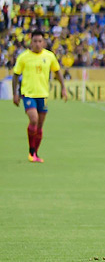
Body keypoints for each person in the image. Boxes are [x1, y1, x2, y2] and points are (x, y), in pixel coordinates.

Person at [12, 29, 67, 163]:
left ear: (43, 42)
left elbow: (57, 72)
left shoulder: (49, 56)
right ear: (31, 42)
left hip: (43, 95)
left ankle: (35, 153)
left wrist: (63, 88)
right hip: (28, 94)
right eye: (35, 41)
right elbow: (15, 75)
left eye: (40, 41)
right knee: (34, 119)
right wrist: (15, 93)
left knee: (40, 126)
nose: (37, 44)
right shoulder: (24, 57)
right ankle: (31, 152)